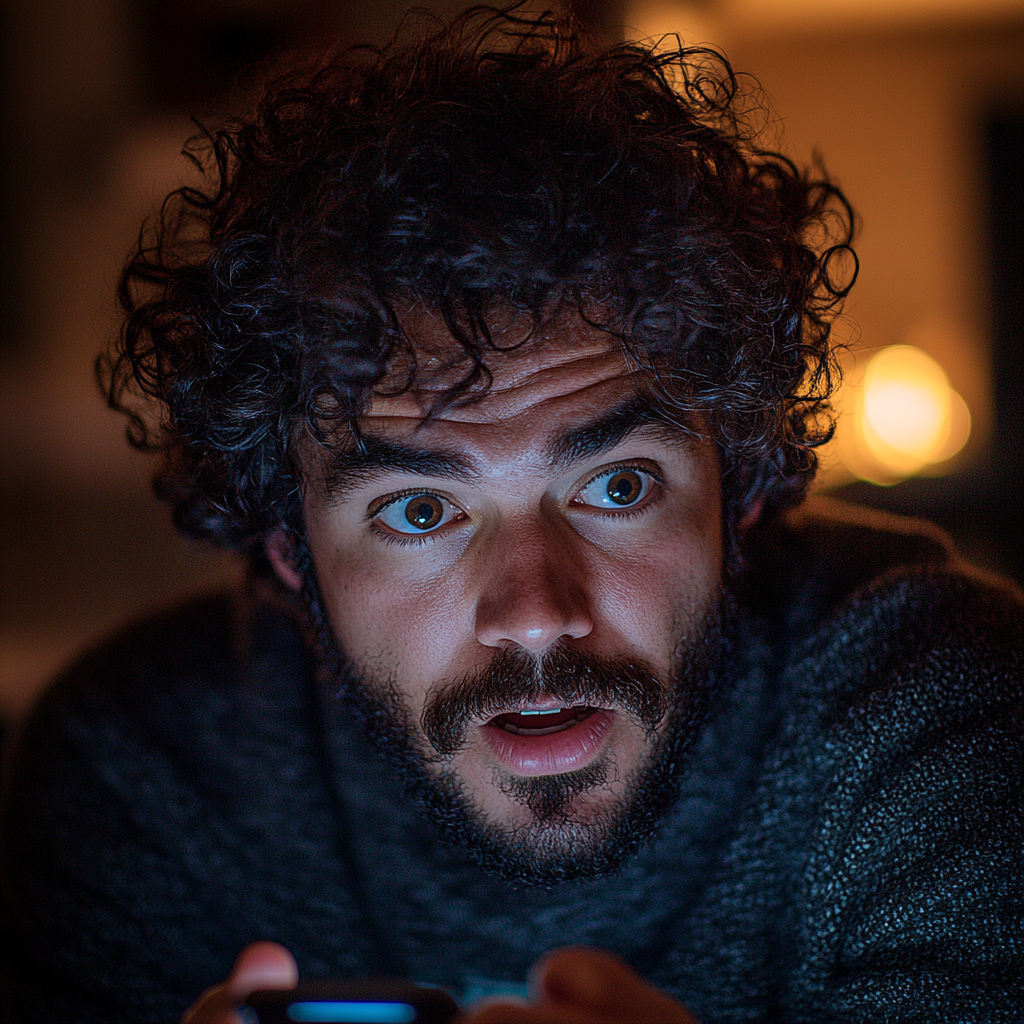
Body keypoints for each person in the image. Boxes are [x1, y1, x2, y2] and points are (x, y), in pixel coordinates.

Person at [1, 6, 1020, 1023]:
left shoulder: (949, 721)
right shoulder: (137, 780)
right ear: (288, 557)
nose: (534, 612)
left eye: (618, 487)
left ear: (740, 495)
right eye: (417, 509)